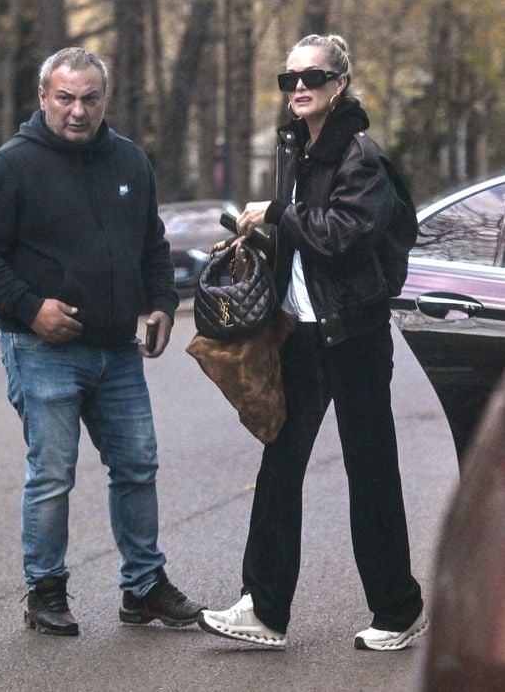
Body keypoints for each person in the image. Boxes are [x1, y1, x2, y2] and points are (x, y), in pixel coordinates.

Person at [0, 47, 204, 636]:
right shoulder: (13, 166)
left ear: (104, 100)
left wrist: (163, 303)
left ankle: (143, 588)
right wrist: (30, 308)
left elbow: (151, 244)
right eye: (65, 98)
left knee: (138, 465)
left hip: (118, 350)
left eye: (89, 98)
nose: (77, 110)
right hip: (42, 349)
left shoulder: (129, 162)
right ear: (43, 98)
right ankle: (45, 593)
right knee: (52, 473)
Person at [198, 34, 427, 651]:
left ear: (340, 83)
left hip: (353, 335)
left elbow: (344, 235)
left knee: (370, 470)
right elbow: (307, 245)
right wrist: (263, 240)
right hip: (304, 331)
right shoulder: (299, 148)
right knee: (281, 463)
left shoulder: (359, 155)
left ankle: (399, 609)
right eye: (289, 79)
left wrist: (276, 214)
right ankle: (265, 608)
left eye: (313, 77)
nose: (299, 87)